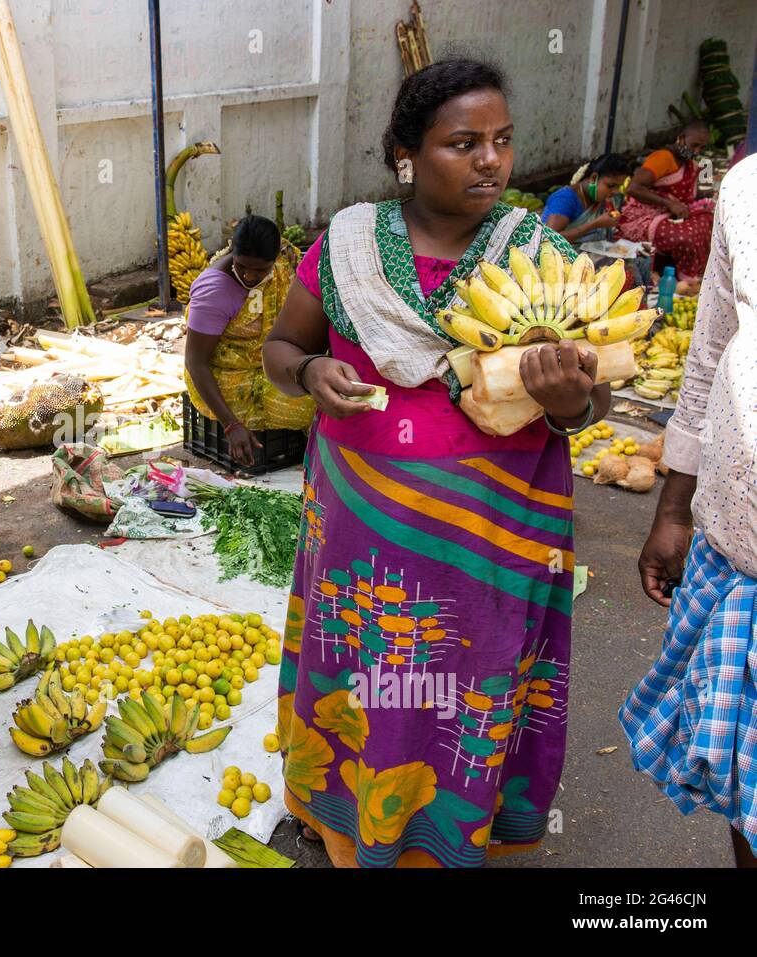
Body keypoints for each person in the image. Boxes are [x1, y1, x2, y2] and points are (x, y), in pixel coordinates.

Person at [262, 59, 609, 868]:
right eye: (463, 143)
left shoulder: (541, 262)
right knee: (368, 691)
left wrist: (567, 401)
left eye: (502, 141)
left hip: (488, 549)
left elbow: (592, 407)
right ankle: (351, 833)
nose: (491, 160)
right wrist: (312, 373)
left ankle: (445, 841)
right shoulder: (347, 249)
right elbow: (282, 348)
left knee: (466, 695)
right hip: (363, 549)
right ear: (406, 154)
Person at [620, 153, 757, 868]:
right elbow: (707, 358)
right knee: (744, 788)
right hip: (737, 552)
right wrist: (674, 505)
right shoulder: (746, 189)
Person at [183, 215, 315, 466]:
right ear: (233, 252)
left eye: (260, 270)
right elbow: (195, 362)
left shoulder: (284, 263)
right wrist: (231, 425)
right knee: (310, 403)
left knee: (324, 386)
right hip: (229, 377)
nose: (250, 277)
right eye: (242, 266)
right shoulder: (214, 291)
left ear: (274, 259)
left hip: (270, 362)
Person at [617, 120, 716, 282]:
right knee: (687, 238)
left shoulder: (688, 163)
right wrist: (669, 204)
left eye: (702, 148)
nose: (697, 151)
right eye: (694, 145)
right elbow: (633, 188)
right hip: (646, 216)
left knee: (709, 220)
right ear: (681, 138)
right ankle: (687, 280)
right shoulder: (663, 158)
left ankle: (700, 277)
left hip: (671, 213)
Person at [542, 153, 633, 244]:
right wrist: (595, 224)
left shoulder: (602, 199)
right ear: (593, 178)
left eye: (618, 186)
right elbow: (550, 240)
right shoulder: (565, 199)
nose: (615, 191)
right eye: (611, 186)